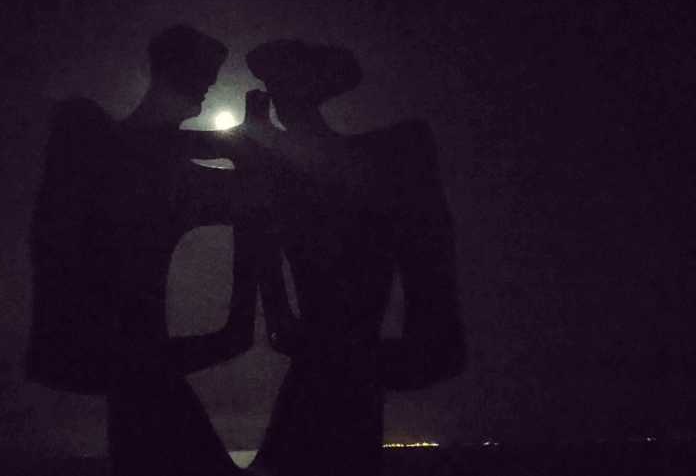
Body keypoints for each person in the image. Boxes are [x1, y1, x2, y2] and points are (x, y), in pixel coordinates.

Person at [23, 24, 266, 476]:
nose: (207, 84)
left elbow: (249, 196)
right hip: (133, 360)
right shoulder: (93, 137)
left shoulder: (151, 167)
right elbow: (142, 151)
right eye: (200, 71)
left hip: (134, 362)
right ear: (169, 68)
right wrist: (231, 144)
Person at [242, 40, 467, 476]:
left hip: (338, 365)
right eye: (277, 86)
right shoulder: (290, 171)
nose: (280, 95)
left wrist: (262, 139)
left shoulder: (387, 153)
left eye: (290, 84)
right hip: (327, 364)